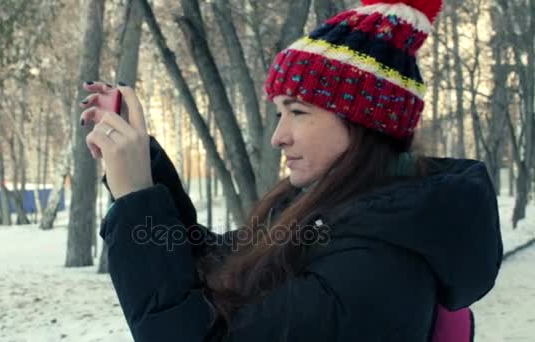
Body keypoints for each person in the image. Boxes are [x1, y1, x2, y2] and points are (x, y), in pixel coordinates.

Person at [79, 0, 502, 340]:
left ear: (365, 123)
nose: (278, 136)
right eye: (280, 113)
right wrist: (143, 174)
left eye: (297, 112)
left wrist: (137, 198)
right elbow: (214, 265)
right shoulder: (325, 210)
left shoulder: (380, 261)